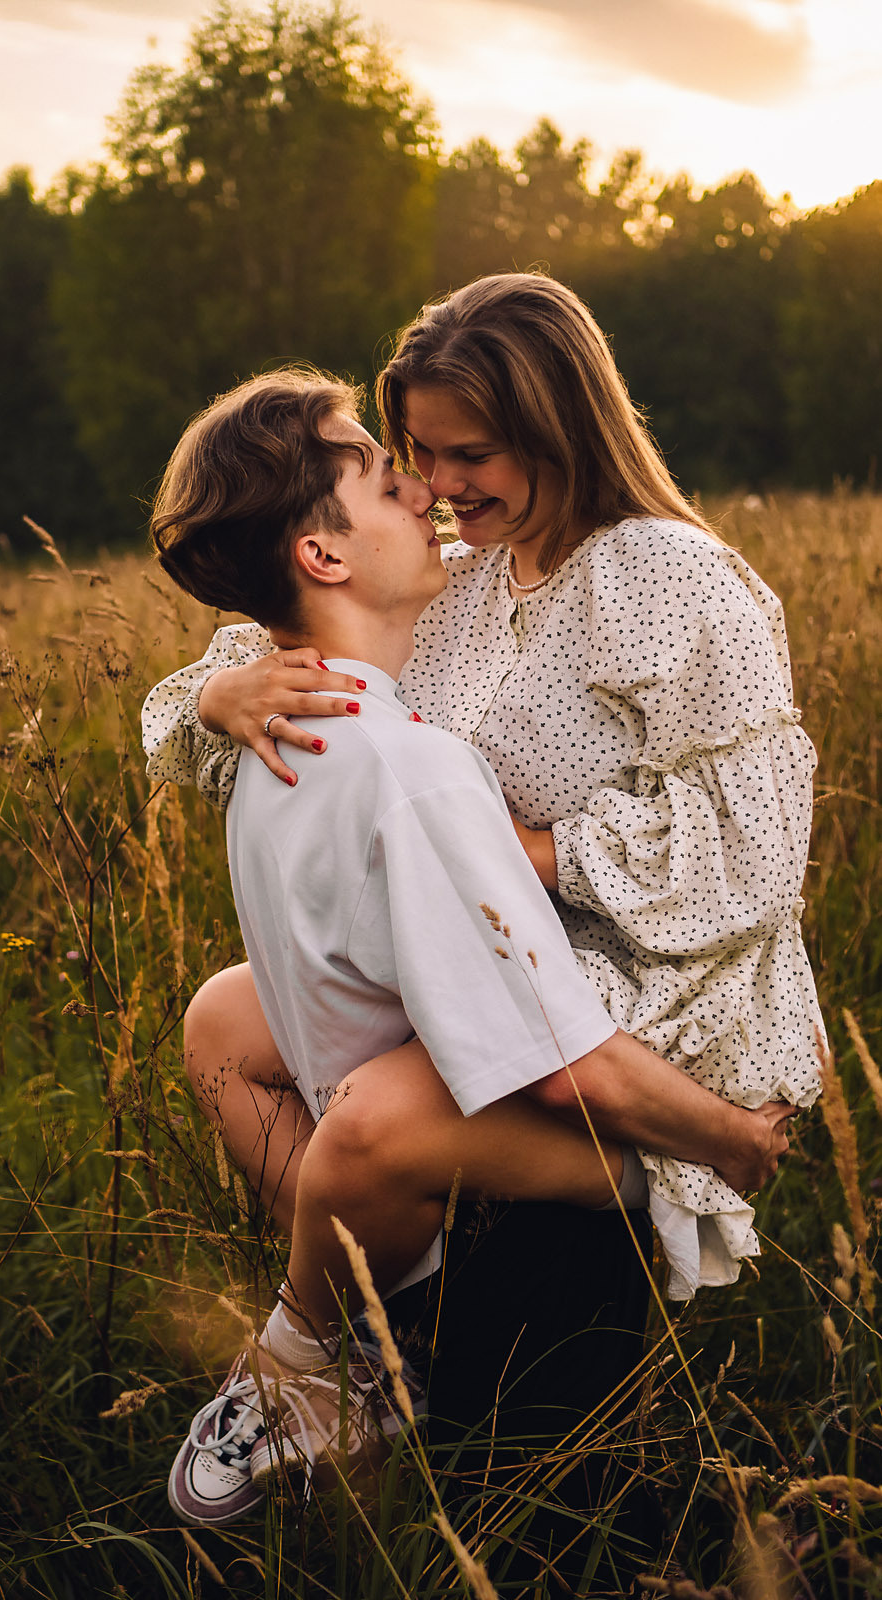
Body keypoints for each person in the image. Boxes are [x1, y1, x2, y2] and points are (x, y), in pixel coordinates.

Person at [141, 367, 796, 1538]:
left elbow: (746, 848)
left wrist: (547, 855)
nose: (430, 491)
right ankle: (327, 1342)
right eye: (400, 469)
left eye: (458, 460)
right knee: (284, 1065)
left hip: (602, 987)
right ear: (327, 555)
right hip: (547, 1047)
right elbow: (562, 1066)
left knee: (307, 1077)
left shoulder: (640, 587)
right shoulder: (370, 730)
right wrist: (732, 1140)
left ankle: (354, 1326)